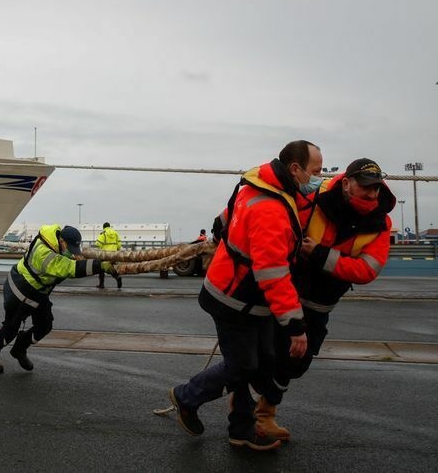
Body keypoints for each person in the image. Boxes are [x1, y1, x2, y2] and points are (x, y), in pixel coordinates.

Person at [169, 140, 322, 451]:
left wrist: (220, 226)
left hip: (249, 301)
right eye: (317, 172)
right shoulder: (271, 210)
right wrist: (295, 327)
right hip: (234, 301)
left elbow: (227, 216)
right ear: (295, 169)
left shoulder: (260, 183)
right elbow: (273, 274)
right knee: (241, 366)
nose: (321, 178)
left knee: (262, 362)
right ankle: (186, 397)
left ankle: (241, 429)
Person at [255, 158, 395, 441]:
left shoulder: (380, 221)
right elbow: (268, 204)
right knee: (262, 354)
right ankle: (259, 414)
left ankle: (260, 407)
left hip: (320, 305)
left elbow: (367, 270)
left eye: (376, 189)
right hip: (286, 295)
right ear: (346, 183)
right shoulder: (313, 195)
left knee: (296, 363)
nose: (371, 195)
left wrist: (319, 254)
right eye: (365, 187)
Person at [0, 225, 115, 373]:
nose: (71, 253)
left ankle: (20, 348)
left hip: (38, 292)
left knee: (45, 324)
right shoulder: (43, 253)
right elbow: (68, 268)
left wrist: (106, 262)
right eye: (69, 248)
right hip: (20, 289)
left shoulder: (58, 245)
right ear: (61, 241)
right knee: (11, 327)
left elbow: (73, 261)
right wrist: (100, 266)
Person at [95, 222, 123, 289]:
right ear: (109, 226)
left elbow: (98, 244)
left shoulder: (103, 233)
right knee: (112, 267)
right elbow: (119, 245)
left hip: (105, 254)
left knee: (101, 268)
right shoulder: (115, 233)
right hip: (114, 254)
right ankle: (117, 277)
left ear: (103, 227)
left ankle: (101, 284)